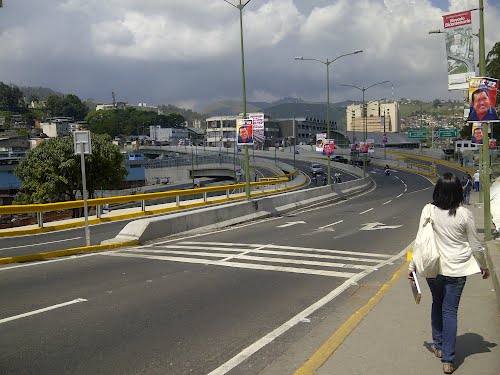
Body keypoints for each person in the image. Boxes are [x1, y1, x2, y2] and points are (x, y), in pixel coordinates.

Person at [408, 173, 489, 374]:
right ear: (459, 192)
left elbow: (419, 240)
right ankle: (448, 359)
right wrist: (483, 266)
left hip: (432, 268)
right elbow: (476, 246)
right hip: (457, 269)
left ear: (438, 191)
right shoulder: (464, 214)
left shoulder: (428, 210)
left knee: (437, 303)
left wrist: (412, 267)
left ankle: (438, 345)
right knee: (450, 311)